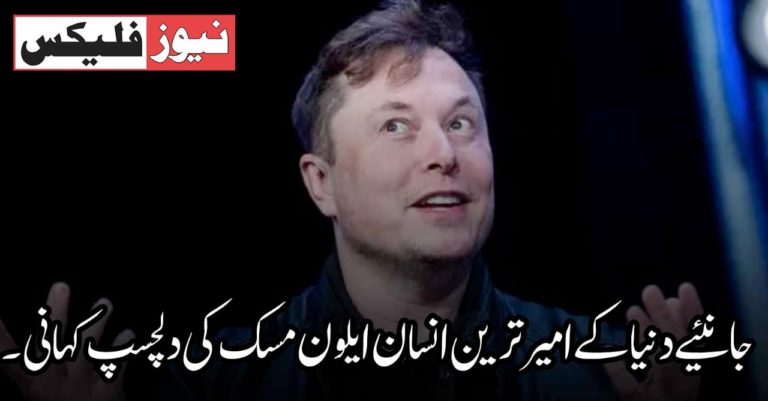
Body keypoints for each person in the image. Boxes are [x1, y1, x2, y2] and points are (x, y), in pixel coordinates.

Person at [0, 1, 704, 400]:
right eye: (396, 126)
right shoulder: (220, 387)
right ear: (321, 182)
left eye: (462, 123)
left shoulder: (606, 375)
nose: (444, 153)